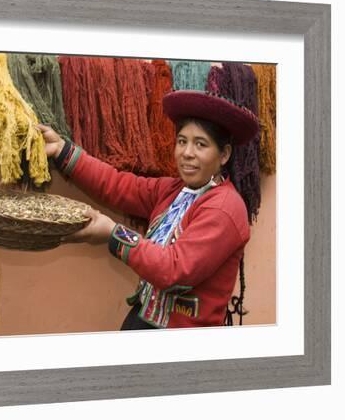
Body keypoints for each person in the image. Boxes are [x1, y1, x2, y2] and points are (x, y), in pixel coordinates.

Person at [37, 90, 259, 329]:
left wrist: (114, 233)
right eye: (182, 141)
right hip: (144, 318)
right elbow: (117, 184)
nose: (187, 153)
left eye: (201, 144)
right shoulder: (173, 190)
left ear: (224, 154)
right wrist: (61, 150)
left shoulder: (225, 207)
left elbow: (174, 269)